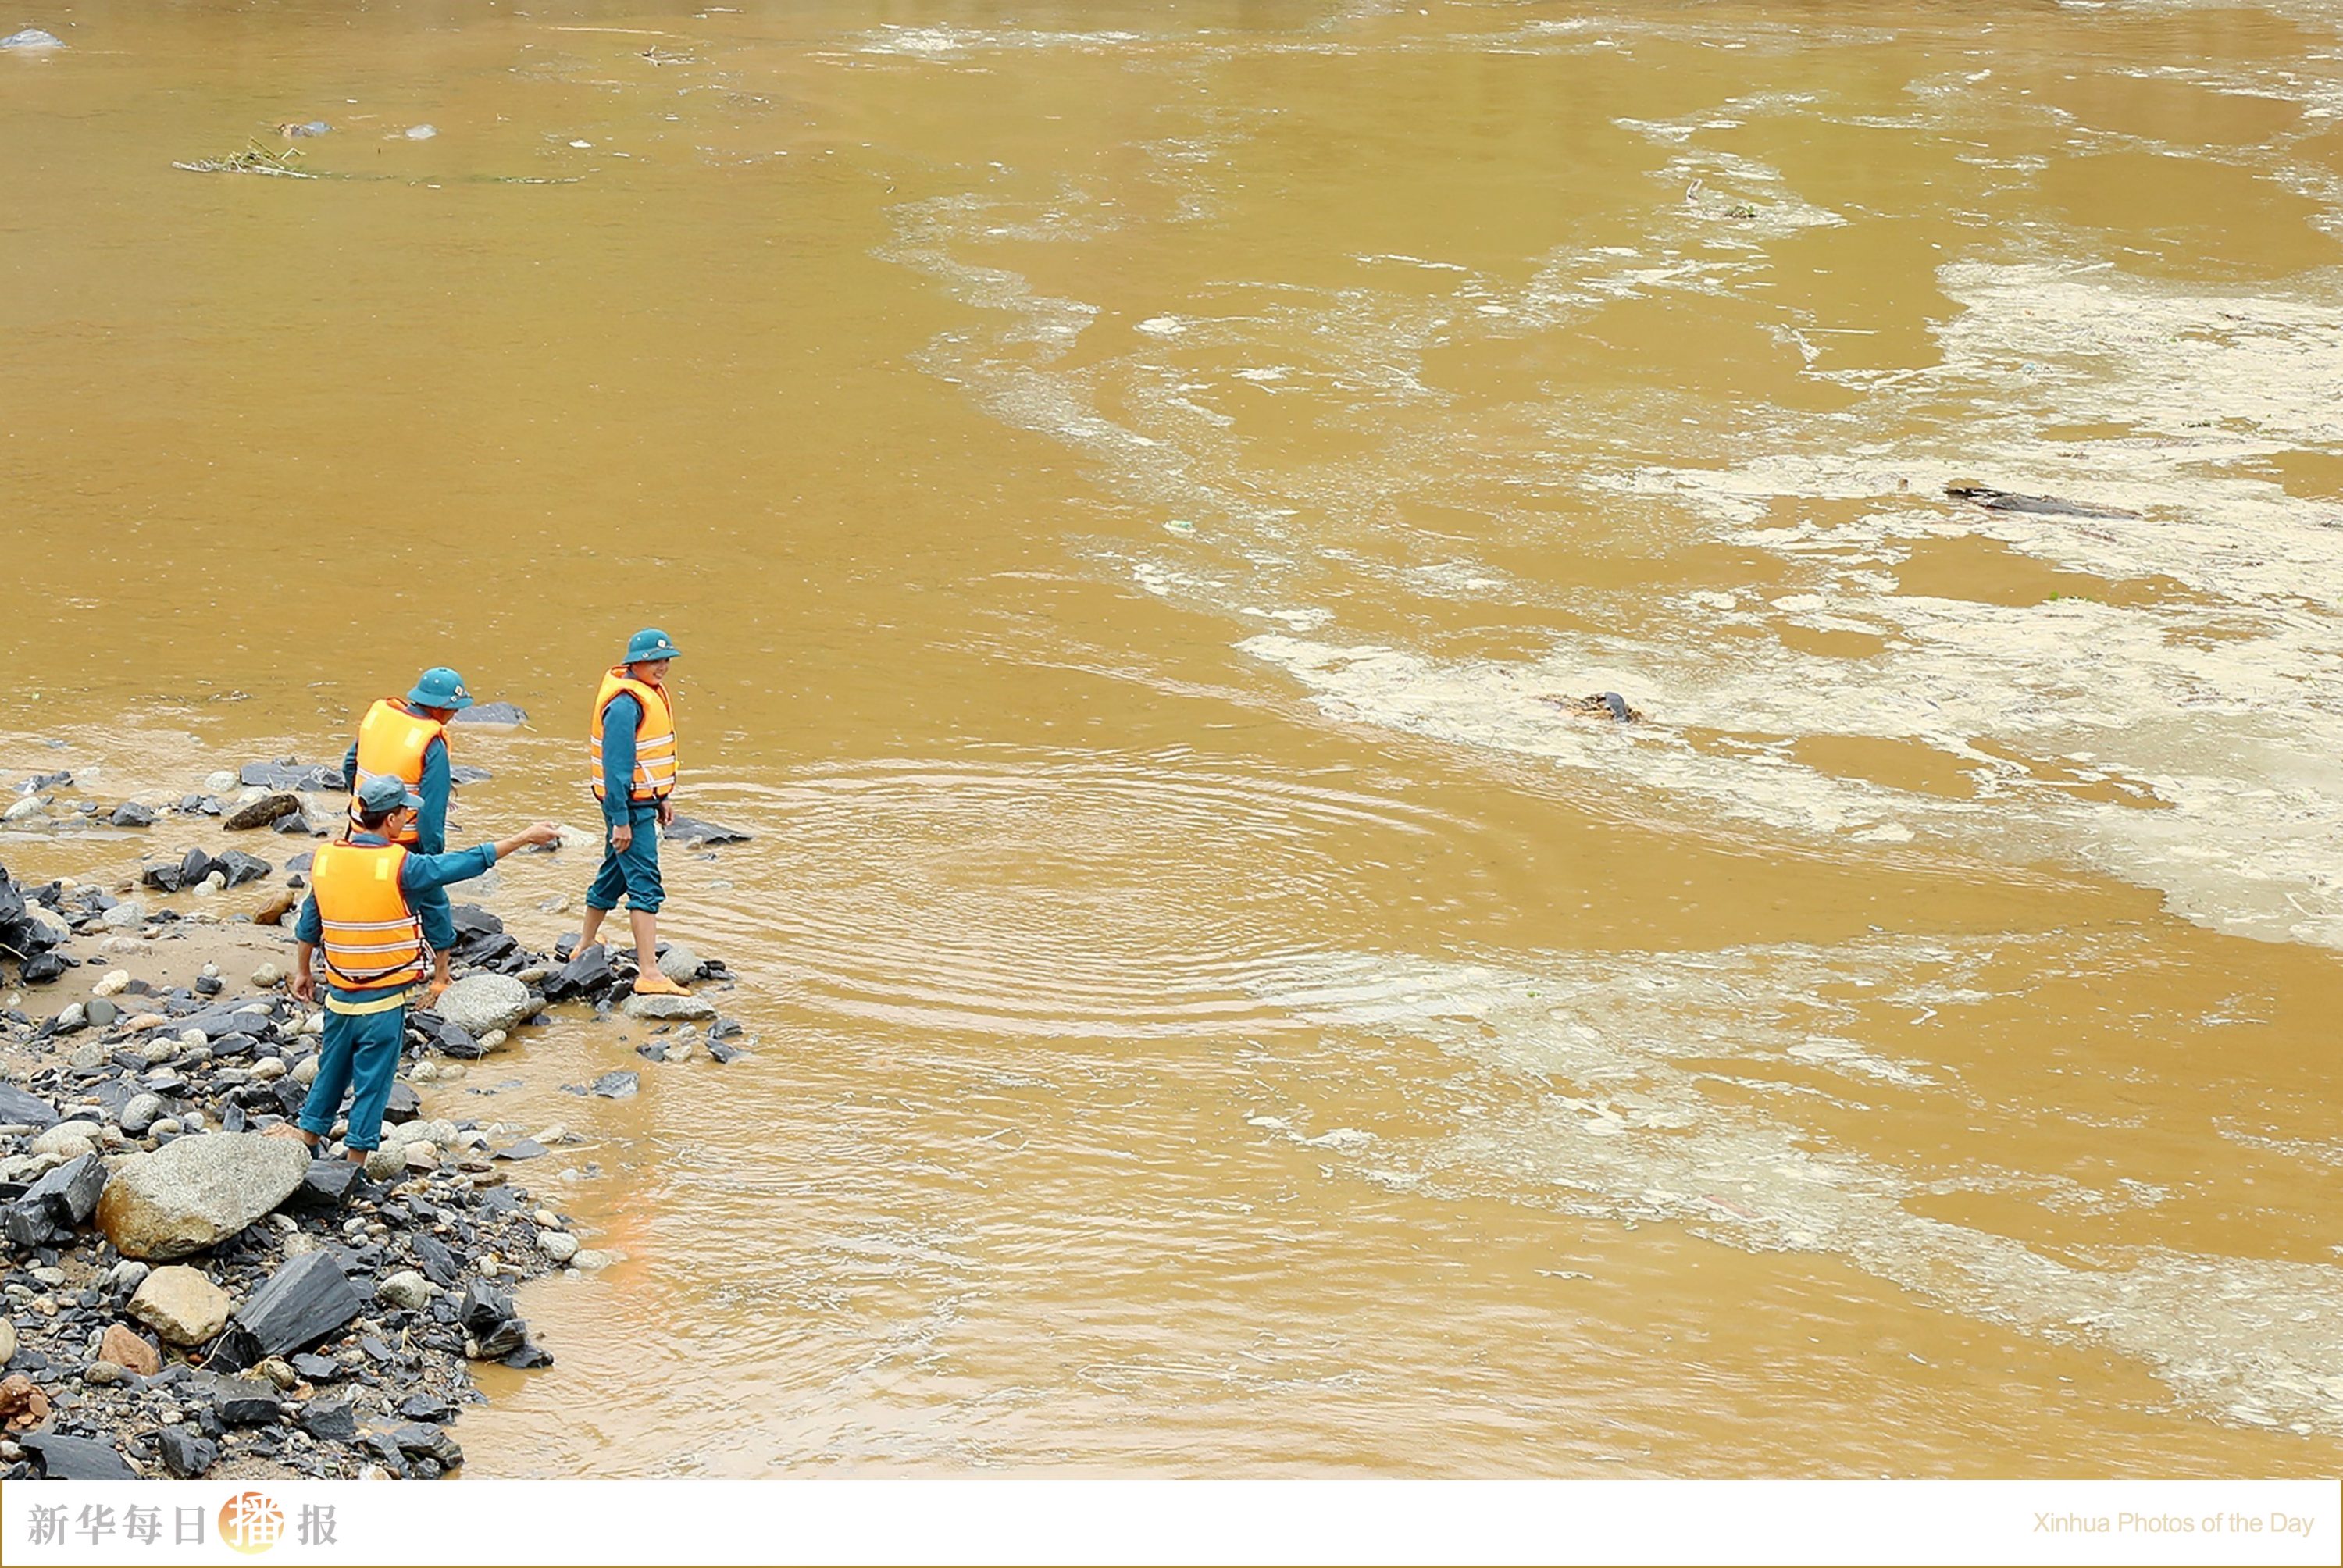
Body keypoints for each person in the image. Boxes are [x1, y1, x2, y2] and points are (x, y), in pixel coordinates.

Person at [273, 775, 558, 1164]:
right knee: (373, 1082)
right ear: (391, 820)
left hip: (339, 998)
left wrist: (303, 972)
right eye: (405, 813)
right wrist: (523, 837)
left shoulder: (325, 860)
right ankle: (354, 1166)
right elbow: (466, 863)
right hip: (383, 1003)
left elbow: (310, 923)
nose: (408, 819)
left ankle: (306, 1142)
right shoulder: (404, 867)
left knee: (331, 1070)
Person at [342, 666, 475, 1002]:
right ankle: (441, 974)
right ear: (440, 708)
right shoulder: (431, 743)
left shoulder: (380, 717)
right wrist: (434, 855)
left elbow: (349, 764)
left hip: (361, 827)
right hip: (404, 840)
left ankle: (353, 958)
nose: (455, 716)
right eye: (454, 709)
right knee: (433, 901)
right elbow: (431, 811)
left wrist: (363, 808)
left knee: (359, 894)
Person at [580, 627, 690, 996]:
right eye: (654, 661)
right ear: (635, 663)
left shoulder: (645, 693)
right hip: (628, 807)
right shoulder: (625, 704)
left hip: (641, 802)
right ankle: (649, 973)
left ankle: (585, 944)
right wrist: (621, 821)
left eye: (665, 660)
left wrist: (662, 797)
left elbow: (647, 758)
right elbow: (617, 768)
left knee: (614, 873)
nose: (661, 667)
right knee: (645, 883)